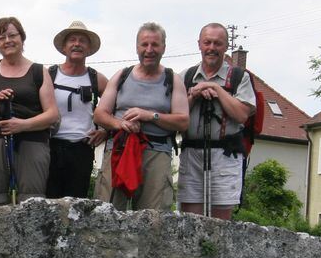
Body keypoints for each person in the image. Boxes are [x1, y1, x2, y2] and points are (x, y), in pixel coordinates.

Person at [93, 22, 189, 211]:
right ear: (137, 47)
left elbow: (183, 121)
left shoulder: (173, 79)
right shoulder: (122, 75)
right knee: (108, 213)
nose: (149, 50)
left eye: (155, 45)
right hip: (119, 150)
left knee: (154, 218)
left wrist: (150, 116)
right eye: (144, 45)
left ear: (164, 47)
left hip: (157, 153)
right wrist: (120, 124)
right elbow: (99, 114)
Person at [0, 17, 58, 205]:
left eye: (12, 35)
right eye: (1, 37)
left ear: (22, 38)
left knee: (32, 203)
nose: (7, 40)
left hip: (33, 140)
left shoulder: (39, 71)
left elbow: (52, 114)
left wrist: (23, 125)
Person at [179, 23, 256, 220]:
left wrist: (218, 90)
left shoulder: (240, 78)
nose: (211, 48)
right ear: (199, 44)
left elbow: (241, 115)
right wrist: (194, 94)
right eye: (207, 42)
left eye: (217, 43)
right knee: (190, 220)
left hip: (225, 155)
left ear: (226, 47)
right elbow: (176, 117)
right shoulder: (185, 77)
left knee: (221, 224)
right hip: (191, 154)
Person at [46, 21, 108, 199]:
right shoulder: (49, 75)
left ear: (88, 49)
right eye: (72, 40)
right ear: (64, 48)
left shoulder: (97, 79)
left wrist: (105, 130)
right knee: (49, 203)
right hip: (51, 146)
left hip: (82, 150)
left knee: (76, 205)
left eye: (82, 41)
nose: (77, 44)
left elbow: (117, 106)